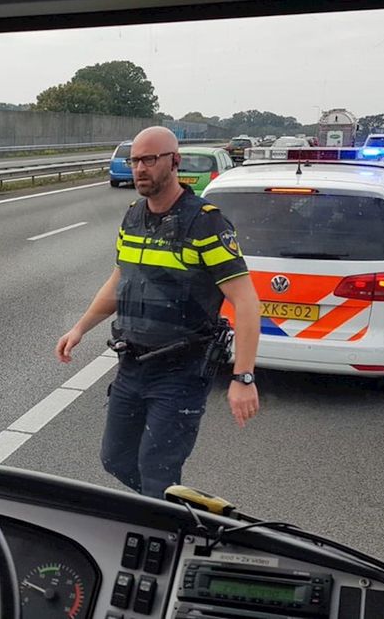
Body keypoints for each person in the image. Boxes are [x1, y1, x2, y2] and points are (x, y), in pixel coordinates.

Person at [55, 126, 261, 499]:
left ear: (174, 161)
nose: (140, 169)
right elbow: (122, 279)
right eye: (135, 160)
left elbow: (245, 302)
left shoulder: (206, 223)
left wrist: (242, 377)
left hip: (180, 373)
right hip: (132, 365)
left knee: (156, 471)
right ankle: (177, 507)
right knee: (115, 459)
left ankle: (163, 523)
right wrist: (80, 327)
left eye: (150, 159)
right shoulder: (134, 216)